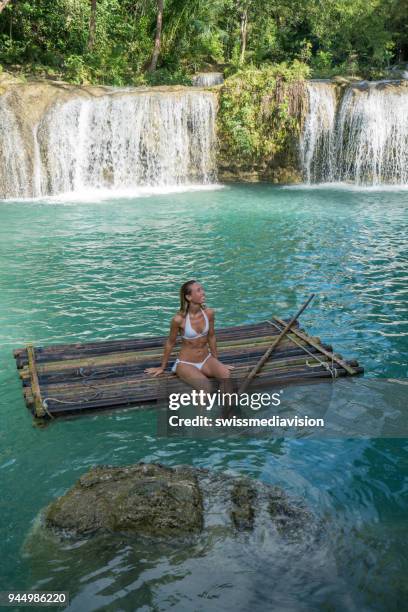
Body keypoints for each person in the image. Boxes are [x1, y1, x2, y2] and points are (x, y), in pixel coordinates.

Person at [144, 280, 234, 395]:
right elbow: (170, 343)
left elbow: (211, 337)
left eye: (202, 289)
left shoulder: (209, 313)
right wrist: (162, 367)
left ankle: (228, 412)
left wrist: (217, 362)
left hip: (206, 359)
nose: (203, 293)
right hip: (186, 364)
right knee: (205, 386)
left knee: (226, 375)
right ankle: (201, 414)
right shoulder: (179, 320)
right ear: (188, 297)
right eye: (198, 290)